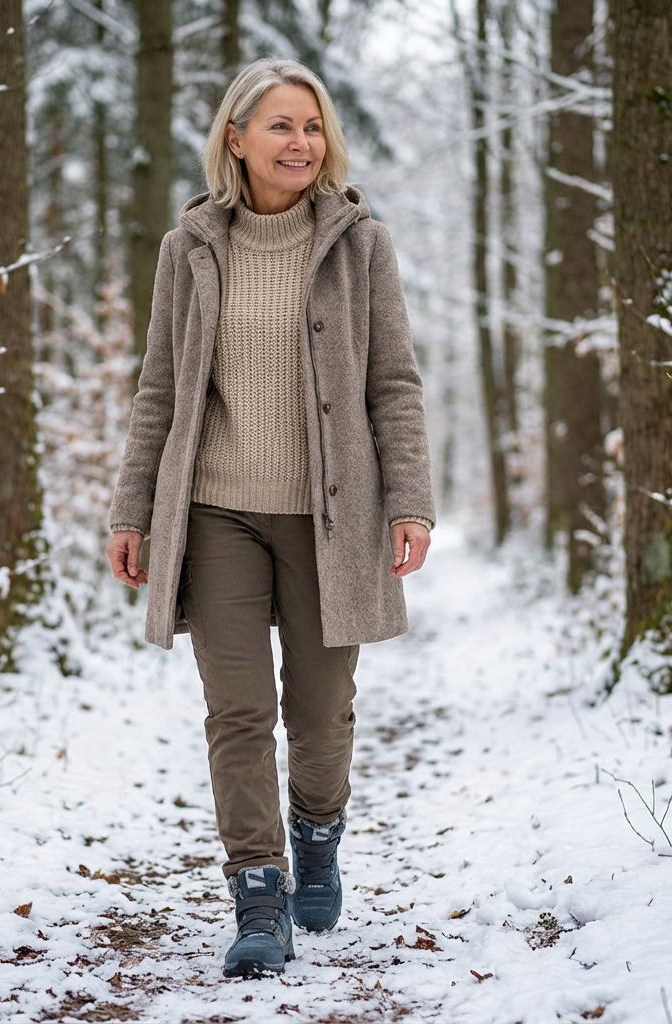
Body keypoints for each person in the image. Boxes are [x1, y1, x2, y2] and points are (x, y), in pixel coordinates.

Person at [107, 57, 435, 978]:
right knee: (238, 710)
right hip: (216, 512)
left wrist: (410, 498)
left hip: (333, 513)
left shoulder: (360, 245)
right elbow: (159, 393)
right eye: (282, 126)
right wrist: (133, 509)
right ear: (236, 140)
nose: (302, 143)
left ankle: (318, 830)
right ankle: (258, 891)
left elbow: (393, 385)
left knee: (321, 711)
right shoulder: (191, 249)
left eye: (313, 126)